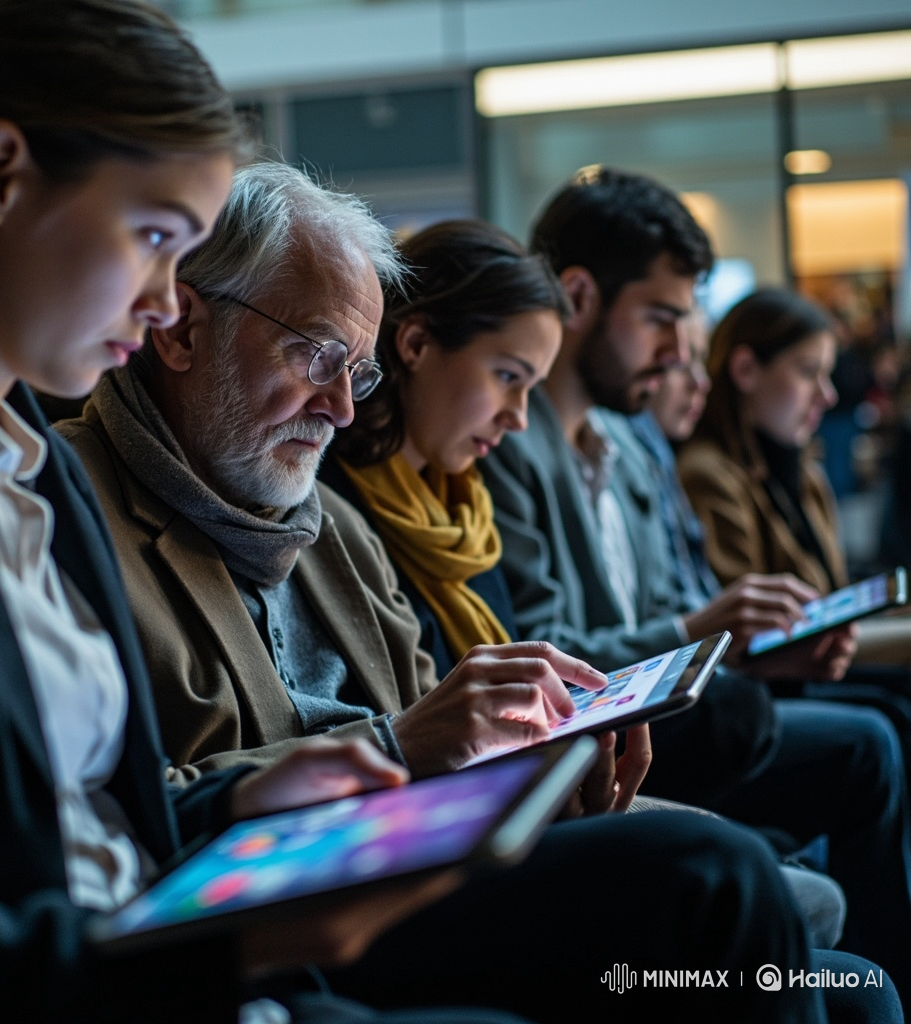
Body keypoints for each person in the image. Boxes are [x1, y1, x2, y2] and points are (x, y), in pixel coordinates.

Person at [58, 159, 852, 1023]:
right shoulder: (69, 510)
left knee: (850, 984)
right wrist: (403, 746)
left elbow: (431, 732)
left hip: (413, 855)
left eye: (356, 375)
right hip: (283, 924)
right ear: (179, 331)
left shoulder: (329, 522)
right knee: (721, 869)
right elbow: (123, 816)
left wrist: (534, 752)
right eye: (319, 356)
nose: (342, 410)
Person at [0, 3, 543, 1022]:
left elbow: (85, 822)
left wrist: (235, 805)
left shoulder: (16, 460)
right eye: (154, 237)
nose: (160, 303)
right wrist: (204, 948)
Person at [480, 165, 911, 1005]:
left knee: (866, 728)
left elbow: (661, 607)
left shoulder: (628, 444)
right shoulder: (506, 447)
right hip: (613, 732)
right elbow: (552, 653)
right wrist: (700, 630)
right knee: (864, 743)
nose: (682, 353)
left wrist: (737, 637)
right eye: (662, 320)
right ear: (578, 296)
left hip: (660, 712)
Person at [323, 218, 567, 677]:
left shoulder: (465, 507)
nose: (519, 418)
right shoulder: (326, 505)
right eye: (508, 377)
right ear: (416, 343)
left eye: (531, 387)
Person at [677, 287, 911, 664]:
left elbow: (831, 595)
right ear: (745, 370)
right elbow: (751, 638)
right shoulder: (707, 473)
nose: (828, 395)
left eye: (827, 375)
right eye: (808, 373)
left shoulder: (802, 470)